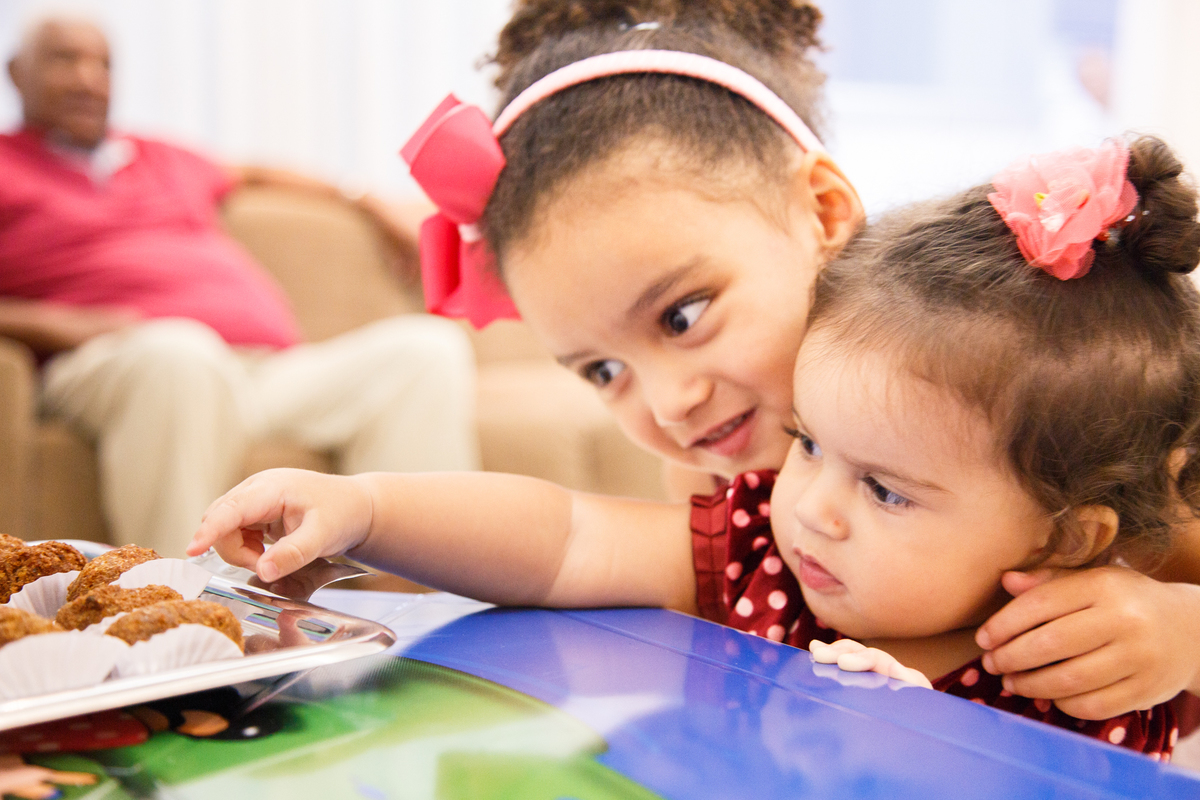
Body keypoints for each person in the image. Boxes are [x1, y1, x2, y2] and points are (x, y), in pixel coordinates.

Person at [190, 136, 1199, 758]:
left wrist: (1187, 635)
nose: (815, 505)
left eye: (886, 489)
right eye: (809, 441)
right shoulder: (768, 553)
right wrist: (365, 507)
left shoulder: (1107, 645)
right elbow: (565, 535)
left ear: (1069, 536)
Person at [400, 0, 1200, 729]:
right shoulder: (725, 481)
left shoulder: (1043, 405)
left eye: (683, 315)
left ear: (822, 212)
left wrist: (1182, 633)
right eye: (603, 372)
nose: (670, 404)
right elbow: (587, 549)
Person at [0, 17, 479, 556]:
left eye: (104, 64)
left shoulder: (157, 155)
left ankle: (424, 606)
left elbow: (254, 173)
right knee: (180, 354)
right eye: (65, 59)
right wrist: (58, 324)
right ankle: (189, 613)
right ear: (17, 73)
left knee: (423, 351)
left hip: (260, 371)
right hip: (126, 363)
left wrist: (366, 200)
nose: (89, 79)